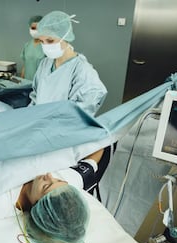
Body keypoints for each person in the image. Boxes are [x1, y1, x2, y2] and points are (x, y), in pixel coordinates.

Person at [29, 10, 109, 172]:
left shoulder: (82, 70)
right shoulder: (45, 64)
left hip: (61, 140)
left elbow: (79, 114)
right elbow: (35, 97)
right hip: (40, 134)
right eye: (42, 41)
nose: (45, 46)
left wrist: (49, 130)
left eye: (50, 40)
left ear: (65, 36)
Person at [20, 15, 45, 80]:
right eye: (33, 28)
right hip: (27, 82)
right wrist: (21, 81)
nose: (35, 30)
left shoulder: (47, 46)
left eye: (38, 28)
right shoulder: (27, 45)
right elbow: (25, 66)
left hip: (40, 83)